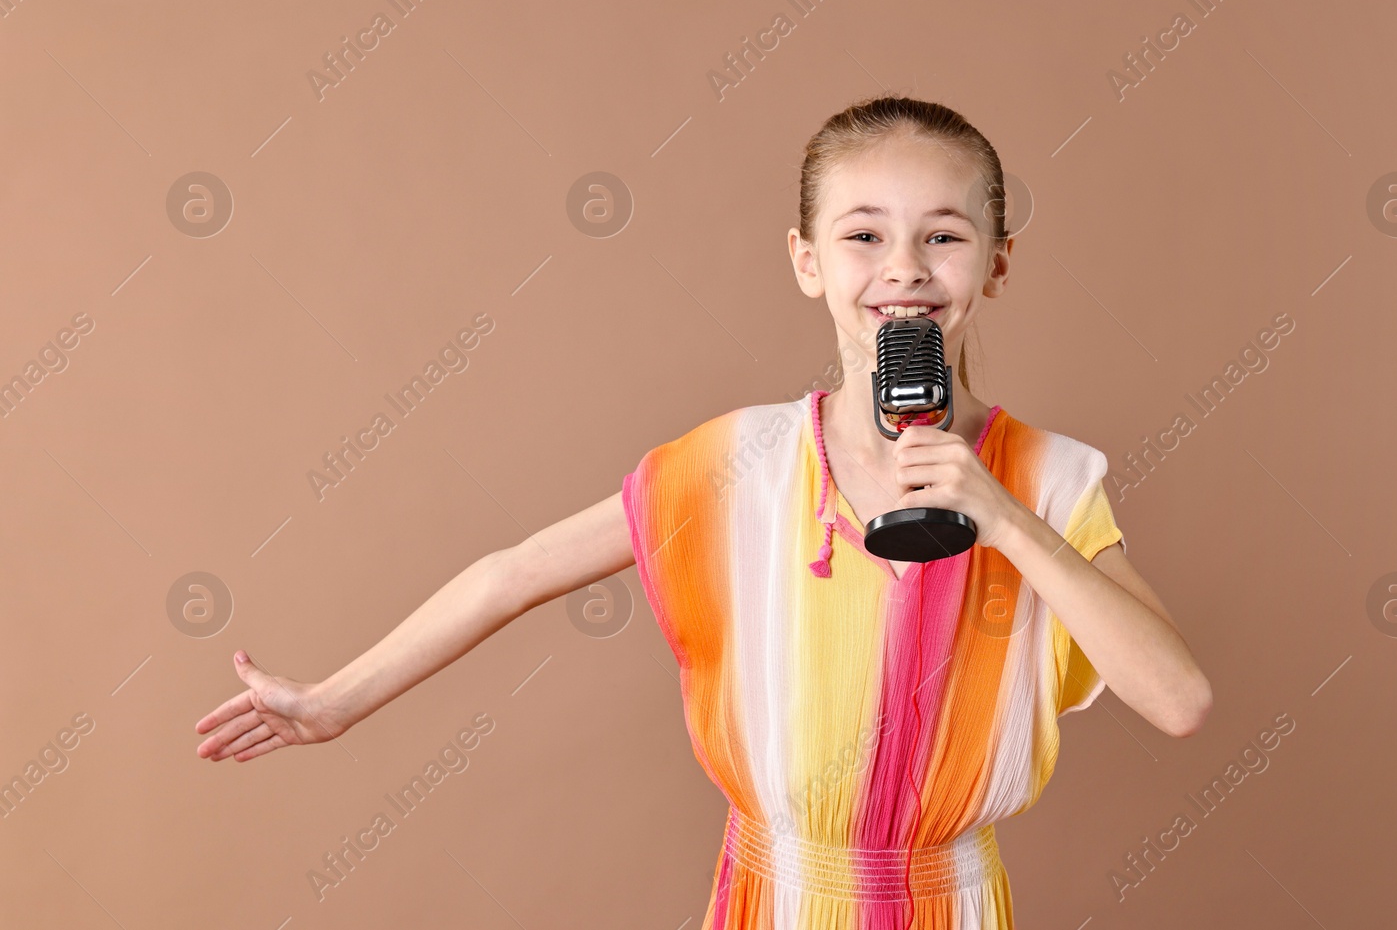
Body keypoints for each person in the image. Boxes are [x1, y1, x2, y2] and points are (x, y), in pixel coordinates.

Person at [195, 95, 1211, 928]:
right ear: (809, 261)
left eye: (942, 235)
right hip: (767, 899)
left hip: (952, 901)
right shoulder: (741, 461)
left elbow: (1178, 699)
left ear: (994, 262)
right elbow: (513, 570)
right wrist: (334, 701)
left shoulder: (1049, 476)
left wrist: (1002, 515)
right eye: (862, 235)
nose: (903, 267)